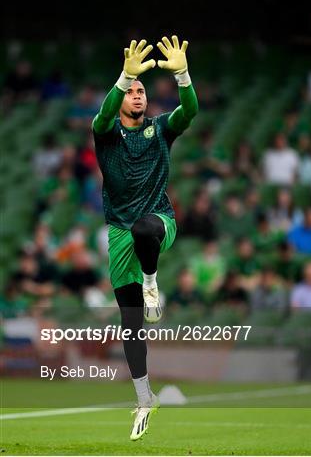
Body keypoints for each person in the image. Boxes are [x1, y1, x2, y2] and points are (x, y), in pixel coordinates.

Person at [92, 36, 198, 440]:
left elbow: (190, 110)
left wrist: (182, 75)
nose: (138, 94)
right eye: (132, 90)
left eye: (141, 90)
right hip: (119, 234)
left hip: (158, 222)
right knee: (130, 323)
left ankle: (153, 284)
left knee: (144, 228)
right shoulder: (105, 133)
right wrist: (124, 76)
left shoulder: (161, 129)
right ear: (121, 100)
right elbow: (100, 117)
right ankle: (144, 397)